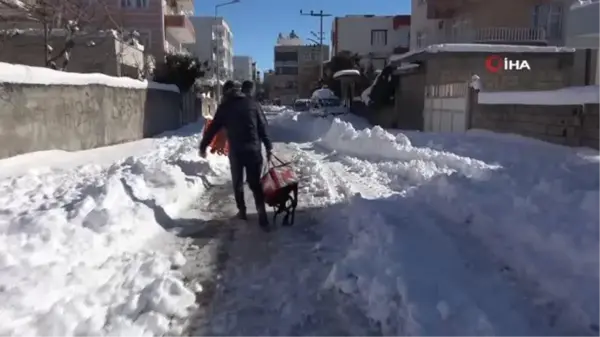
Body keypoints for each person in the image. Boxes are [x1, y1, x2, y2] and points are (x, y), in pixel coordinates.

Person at [199, 80, 273, 231]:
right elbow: (262, 127)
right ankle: (262, 215)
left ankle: (243, 211)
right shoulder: (252, 104)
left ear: (226, 92)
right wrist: (269, 146)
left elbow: (213, 128)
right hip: (253, 150)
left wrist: (203, 145)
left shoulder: (225, 107)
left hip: (237, 152)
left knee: (238, 182)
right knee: (255, 183)